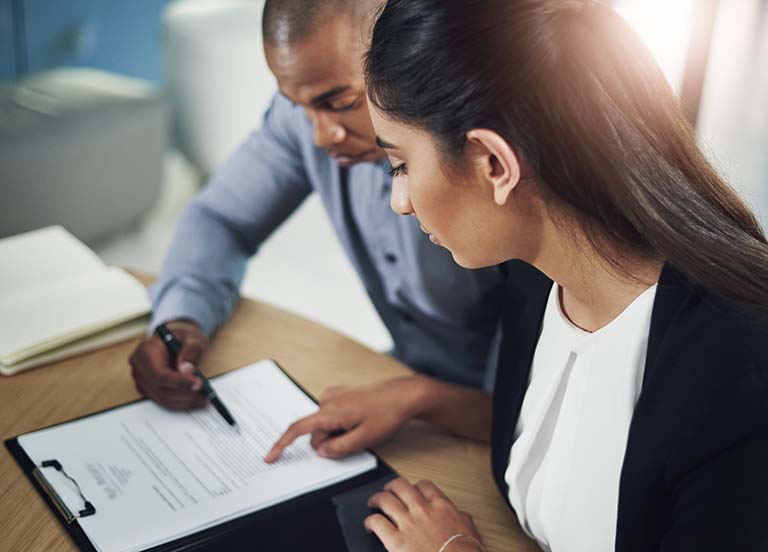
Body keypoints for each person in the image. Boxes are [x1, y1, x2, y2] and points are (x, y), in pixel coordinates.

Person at [294, 0, 767, 550]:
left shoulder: (738, 377)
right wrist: (420, 398)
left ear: (493, 164)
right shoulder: (536, 275)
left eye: (401, 165)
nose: (400, 201)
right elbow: (560, 434)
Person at [129, 0, 505, 456]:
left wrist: (421, 399)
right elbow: (222, 217)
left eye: (339, 103)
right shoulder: (308, 119)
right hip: (401, 385)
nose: (320, 136)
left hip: (499, 431)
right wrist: (181, 318)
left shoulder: (489, 163)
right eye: (299, 106)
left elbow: (536, 408)